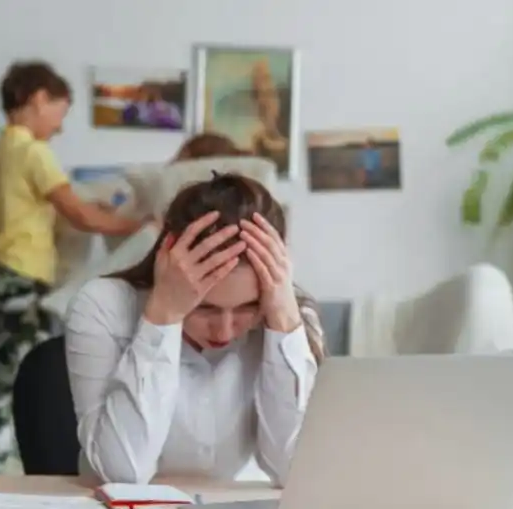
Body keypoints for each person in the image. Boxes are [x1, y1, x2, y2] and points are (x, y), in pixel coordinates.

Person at [64, 172, 324, 485]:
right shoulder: (103, 306)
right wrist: (163, 315)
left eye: (248, 308)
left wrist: (282, 321)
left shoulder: (292, 316)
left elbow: (293, 470)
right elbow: (121, 473)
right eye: (204, 307)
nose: (224, 332)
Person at [0, 60, 150, 474]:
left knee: (8, 371)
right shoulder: (33, 152)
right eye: (60, 114)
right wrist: (140, 225)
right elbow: (81, 216)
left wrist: (16, 205)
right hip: (24, 276)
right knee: (25, 379)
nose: (60, 128)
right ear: (39, 99)